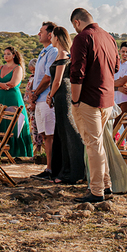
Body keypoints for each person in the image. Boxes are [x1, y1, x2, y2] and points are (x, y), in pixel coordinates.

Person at [68, 7, 119, 203]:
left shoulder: (82, 38)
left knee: (92, 144)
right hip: (107, 98)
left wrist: (74, 100)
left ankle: (97, 190)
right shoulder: (109, 37)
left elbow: (77, 72)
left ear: (77, 23)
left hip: (88, 98)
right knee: (98, 143)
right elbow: (114, 67)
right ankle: (105, 186)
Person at [47, 26, 85, 185]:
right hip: (61, 93)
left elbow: (58, 79)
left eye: (52, 36)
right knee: (63, 131)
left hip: (63, 93)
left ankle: (74, 171)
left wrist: (50, 95)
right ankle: (66, 169)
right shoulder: (62, 53)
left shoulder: (62, 54)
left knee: (68, 130)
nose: (50, 38)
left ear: (58, 37)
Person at [26, 22, 59, 179]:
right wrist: (34, 94)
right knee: (44, 134)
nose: (38, 34)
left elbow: (48, 76)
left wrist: (36, 93)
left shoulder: (53, 51)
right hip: (38, 98)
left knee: (50, 134)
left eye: (41, 31)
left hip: (46, 98)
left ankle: (52, 169)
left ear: (50, 34)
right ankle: (48, 167)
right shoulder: (43, 52)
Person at [0, 47, 33, 160]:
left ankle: (18, 152)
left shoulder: (18, 68)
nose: (6, 56)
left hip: (13, 98)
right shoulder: (0, 67)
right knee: (0, 122)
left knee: (14, 123)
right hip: (0, 99)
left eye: (8, 54)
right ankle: (0, 152)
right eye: (4, 54)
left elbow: (13, 83)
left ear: (14, 55)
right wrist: (2, 85)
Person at [114, 42, 127, 115]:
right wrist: (117, 87)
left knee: (123, 125)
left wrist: (112, 83)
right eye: (123, 51)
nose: (125, 54)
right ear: (119, 51)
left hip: (126, 100)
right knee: (113, 126)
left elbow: (121, 82)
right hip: (114, 100)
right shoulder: (115, 64)